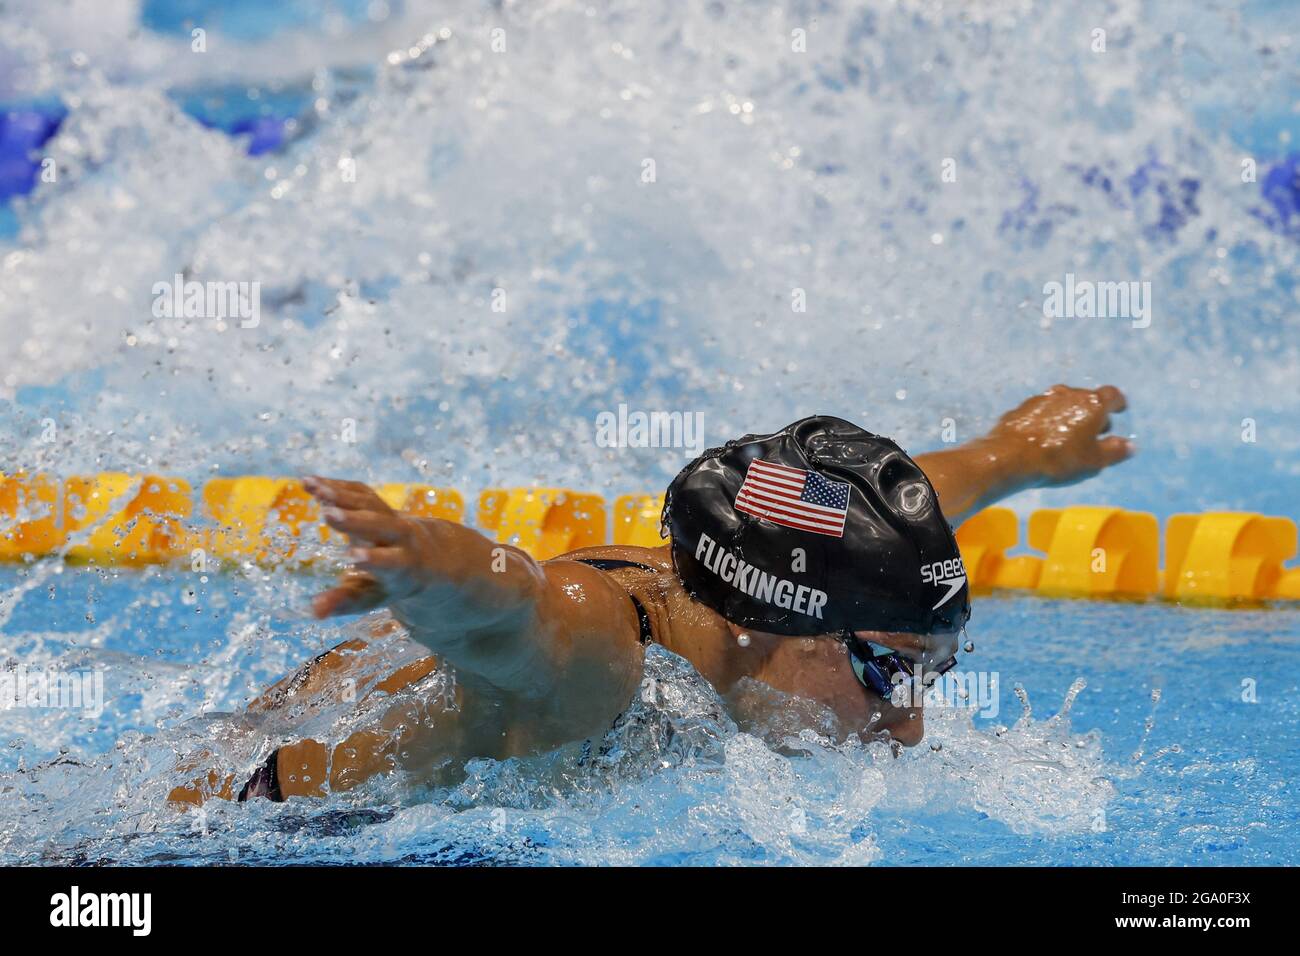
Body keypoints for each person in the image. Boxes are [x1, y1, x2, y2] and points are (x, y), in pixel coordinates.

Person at [169, 384, 1131, 805]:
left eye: (933, 671)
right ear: (771, 627)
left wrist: (1022, 451)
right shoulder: (608, 660)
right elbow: (512, 611)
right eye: (886, 672)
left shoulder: (786, 589)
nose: (912, 724)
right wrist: (430, 565)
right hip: (222, 840)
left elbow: (905, 509)